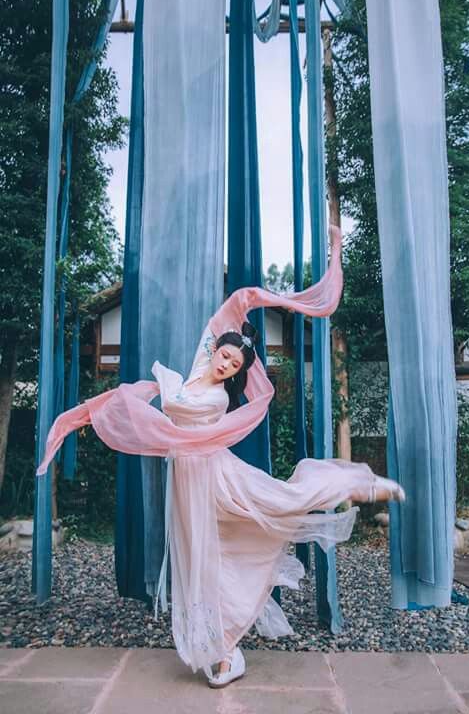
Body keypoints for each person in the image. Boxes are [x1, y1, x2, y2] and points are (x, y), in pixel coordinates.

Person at [36, 225, 405, 688]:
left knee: (285, 501)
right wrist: (246, 299)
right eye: (225, 357)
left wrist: (332, 253)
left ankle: (365, 485)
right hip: (186, 482)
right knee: (200, 560)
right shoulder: (192, 374)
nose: (227, 365)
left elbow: (195, 420)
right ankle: (225, 648)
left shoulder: (220, 399)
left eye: (234, 366)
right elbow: (225, 317)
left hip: (217, 474)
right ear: (214, 352)